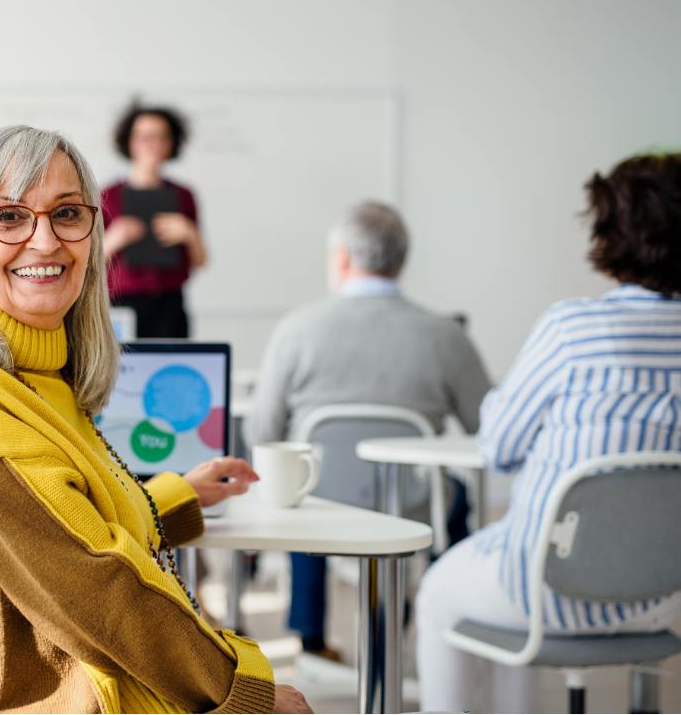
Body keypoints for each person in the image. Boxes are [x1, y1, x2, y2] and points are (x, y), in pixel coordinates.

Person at [0, 126, 310, 714]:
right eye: (9, 216)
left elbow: (69, 525)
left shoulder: (40, 374)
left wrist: (176, 498)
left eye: (67, 213)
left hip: (107, 675)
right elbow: (89, 579)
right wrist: (241, 690)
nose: (45, 241)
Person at [415, 152, 681, 713]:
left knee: (440, 589)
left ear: (611, 233)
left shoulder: (572, 329)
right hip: (662, 597)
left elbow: (498, 450)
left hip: (545, 593)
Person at [246, 201, 492, 661]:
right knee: (456, 498)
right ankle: (450, 620)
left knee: (301, 492)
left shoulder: (297, 330)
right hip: (414, 502)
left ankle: (311, 639)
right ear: (402, 259)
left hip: (319, 501)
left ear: (340, 258)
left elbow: (263, 431)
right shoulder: (444, 336)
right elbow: (488, 426)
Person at [101, 104, 207, 338]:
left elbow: (201, 261)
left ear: (171, 143)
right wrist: (114, 239)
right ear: (130, 141)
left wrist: (189, 233)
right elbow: (90, 263)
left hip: (170, 305)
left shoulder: (184, 195)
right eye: (145, 137)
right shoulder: (108, 195)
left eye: (161, 137)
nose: (153, 144)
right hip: (121, 305)